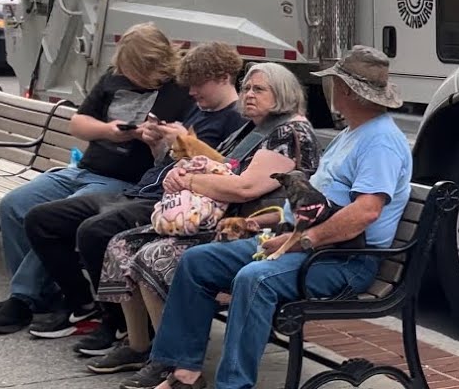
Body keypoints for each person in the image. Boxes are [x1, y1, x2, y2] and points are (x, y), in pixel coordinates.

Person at [148, 45, 412, 389]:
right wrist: (267, 223)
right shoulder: (353, 132)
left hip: (344, 259)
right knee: (198, 261)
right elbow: (315, 201)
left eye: (335, 84)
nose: (331, 90)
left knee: (255, 278)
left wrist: (301, 241)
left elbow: (366, 212)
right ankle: (184, 374)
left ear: (347, 91)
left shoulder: (380, 141)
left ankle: (234, 385)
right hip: (307, 243)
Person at [86, 62, 319, 387]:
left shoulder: (290, 132)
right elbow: (221, 166)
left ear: (283, 94)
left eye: (259, 89)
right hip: (218, 218)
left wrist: (191, 182)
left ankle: (169, 362)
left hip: (253, 227)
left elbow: (245, 187)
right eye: (247, 88)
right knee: (121, 244)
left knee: (153, 256)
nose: (249, 94)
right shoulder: (253, 127)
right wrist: (179, 171)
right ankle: (140, 346)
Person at [20, 41, 250, 352]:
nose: (192, 93)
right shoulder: (199, 110)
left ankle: (115, 324)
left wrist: (186, 142)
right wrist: (160, 143)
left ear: (223, 77)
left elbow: (226, 171)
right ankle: (82, 304)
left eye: (198, 85)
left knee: (95, 231)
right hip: (141, 190)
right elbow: (166, 162)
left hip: (171, 204)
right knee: (42, 218)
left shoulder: (235, 121)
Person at [0, 23, 194, 335]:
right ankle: (44, 295)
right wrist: (110, 131)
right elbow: (78, 124)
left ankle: (23, 299)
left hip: (121, 182)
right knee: (13, 204)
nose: (127, 76)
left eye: (133, 70)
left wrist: (151, 140)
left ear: (153, 65)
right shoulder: (113, 79)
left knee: (57, 215)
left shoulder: (177, 92)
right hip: (83, 169)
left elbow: (178, 157)